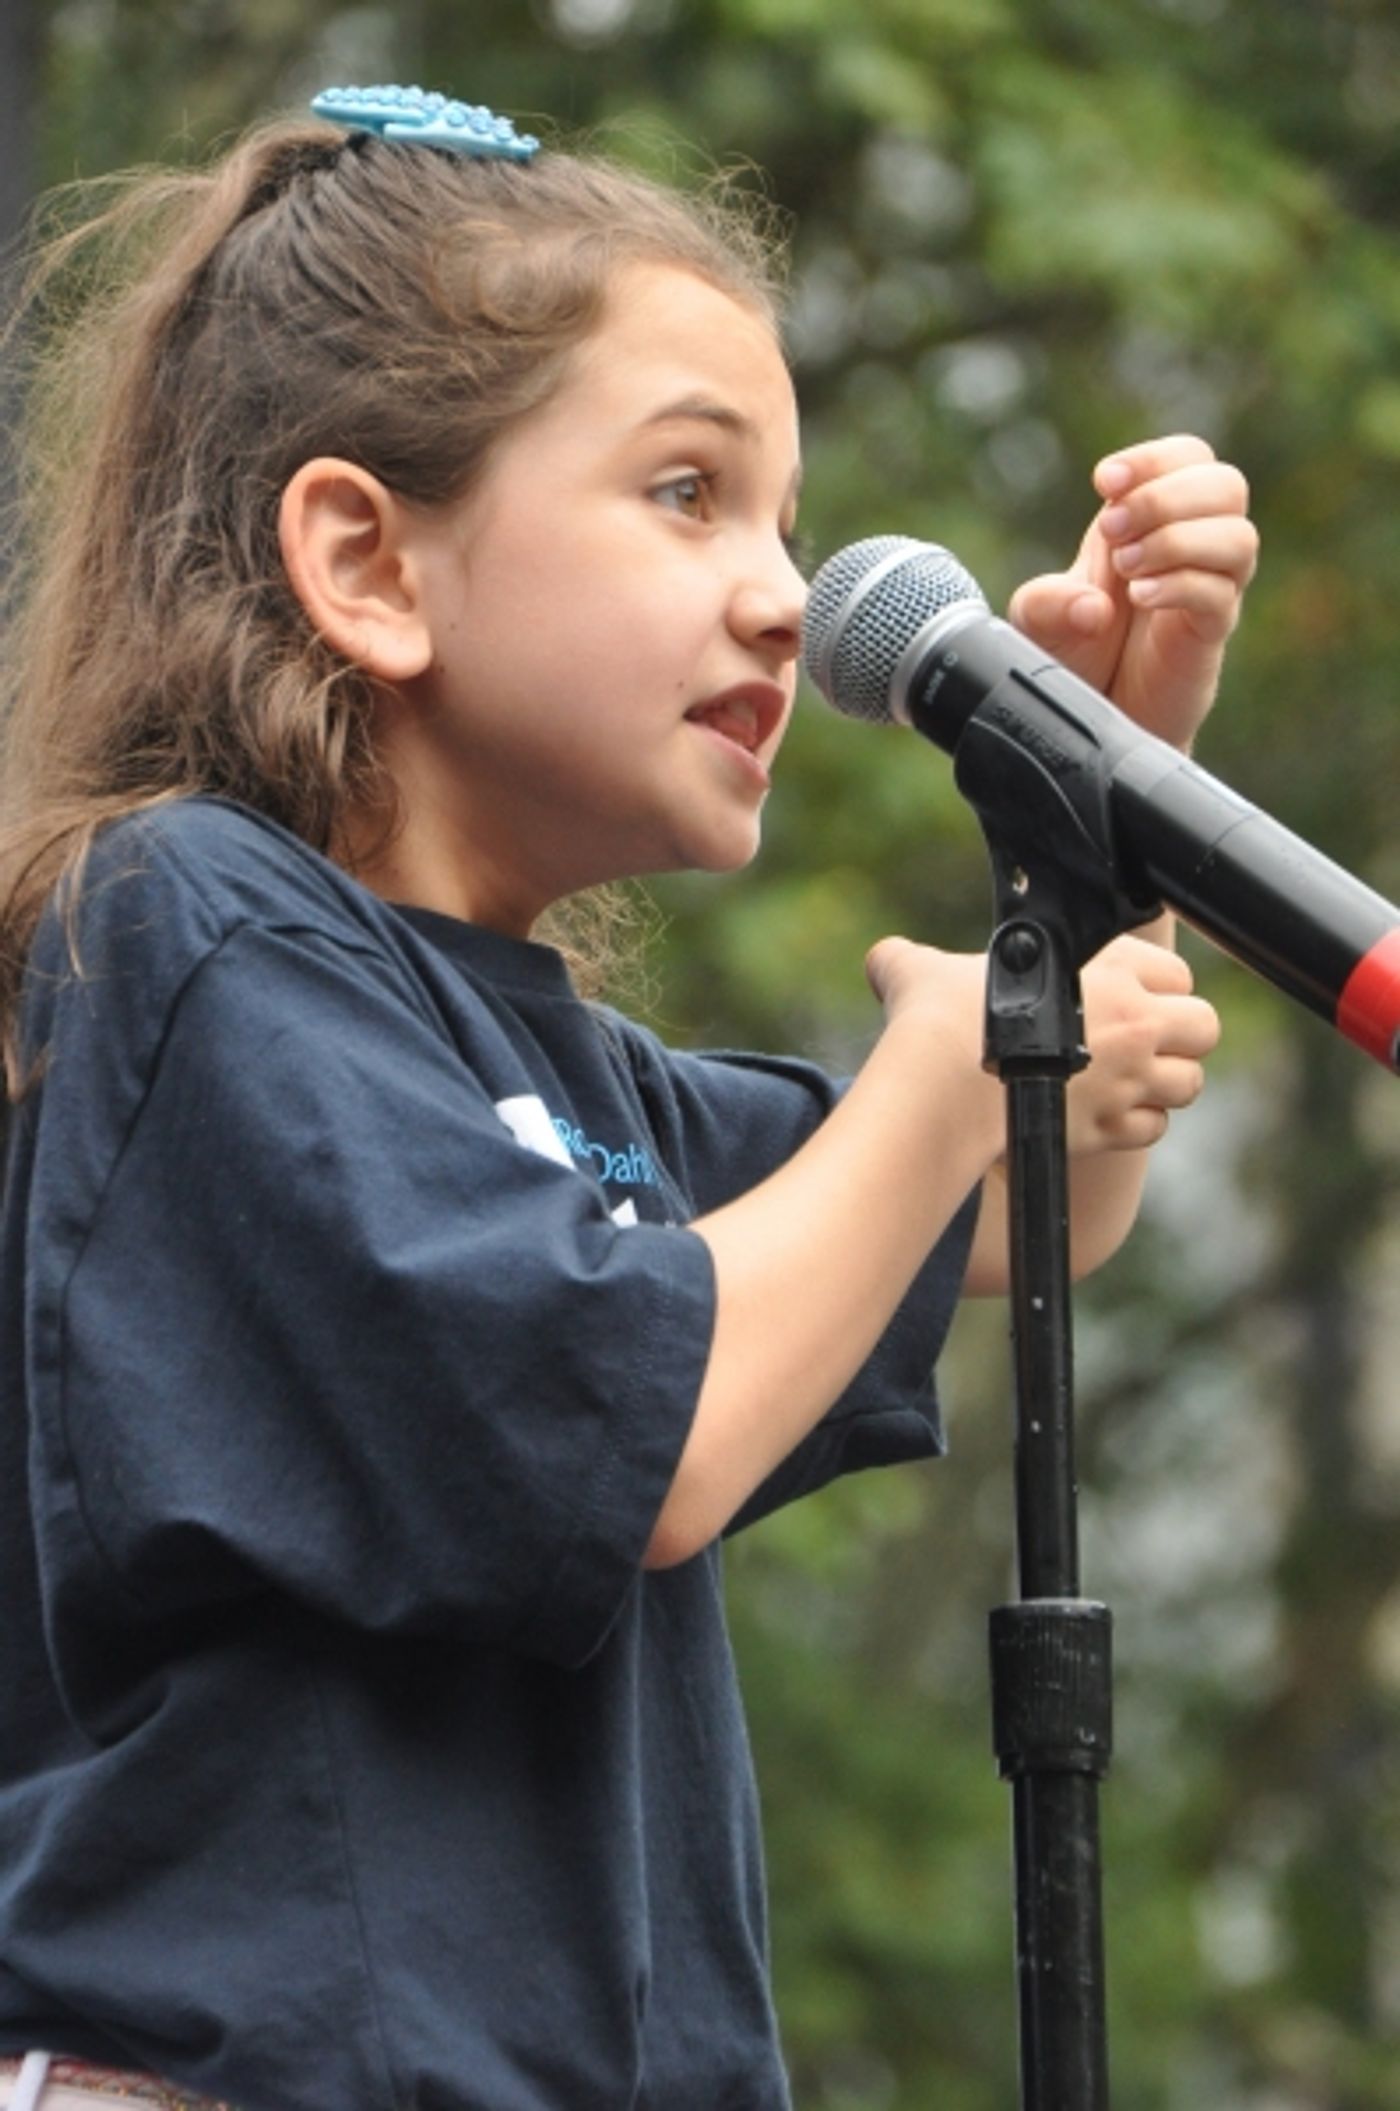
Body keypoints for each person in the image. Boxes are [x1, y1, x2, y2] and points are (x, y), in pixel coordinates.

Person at [0, 86, 1256, 2111]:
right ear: (367, 563)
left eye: (783, 517)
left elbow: (1038, 1190)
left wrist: (1090, 814)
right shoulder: (188, 927)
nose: (781, 590)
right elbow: (642, 1427)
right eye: (688, 494)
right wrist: (942, 1070)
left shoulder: (592, 1100)